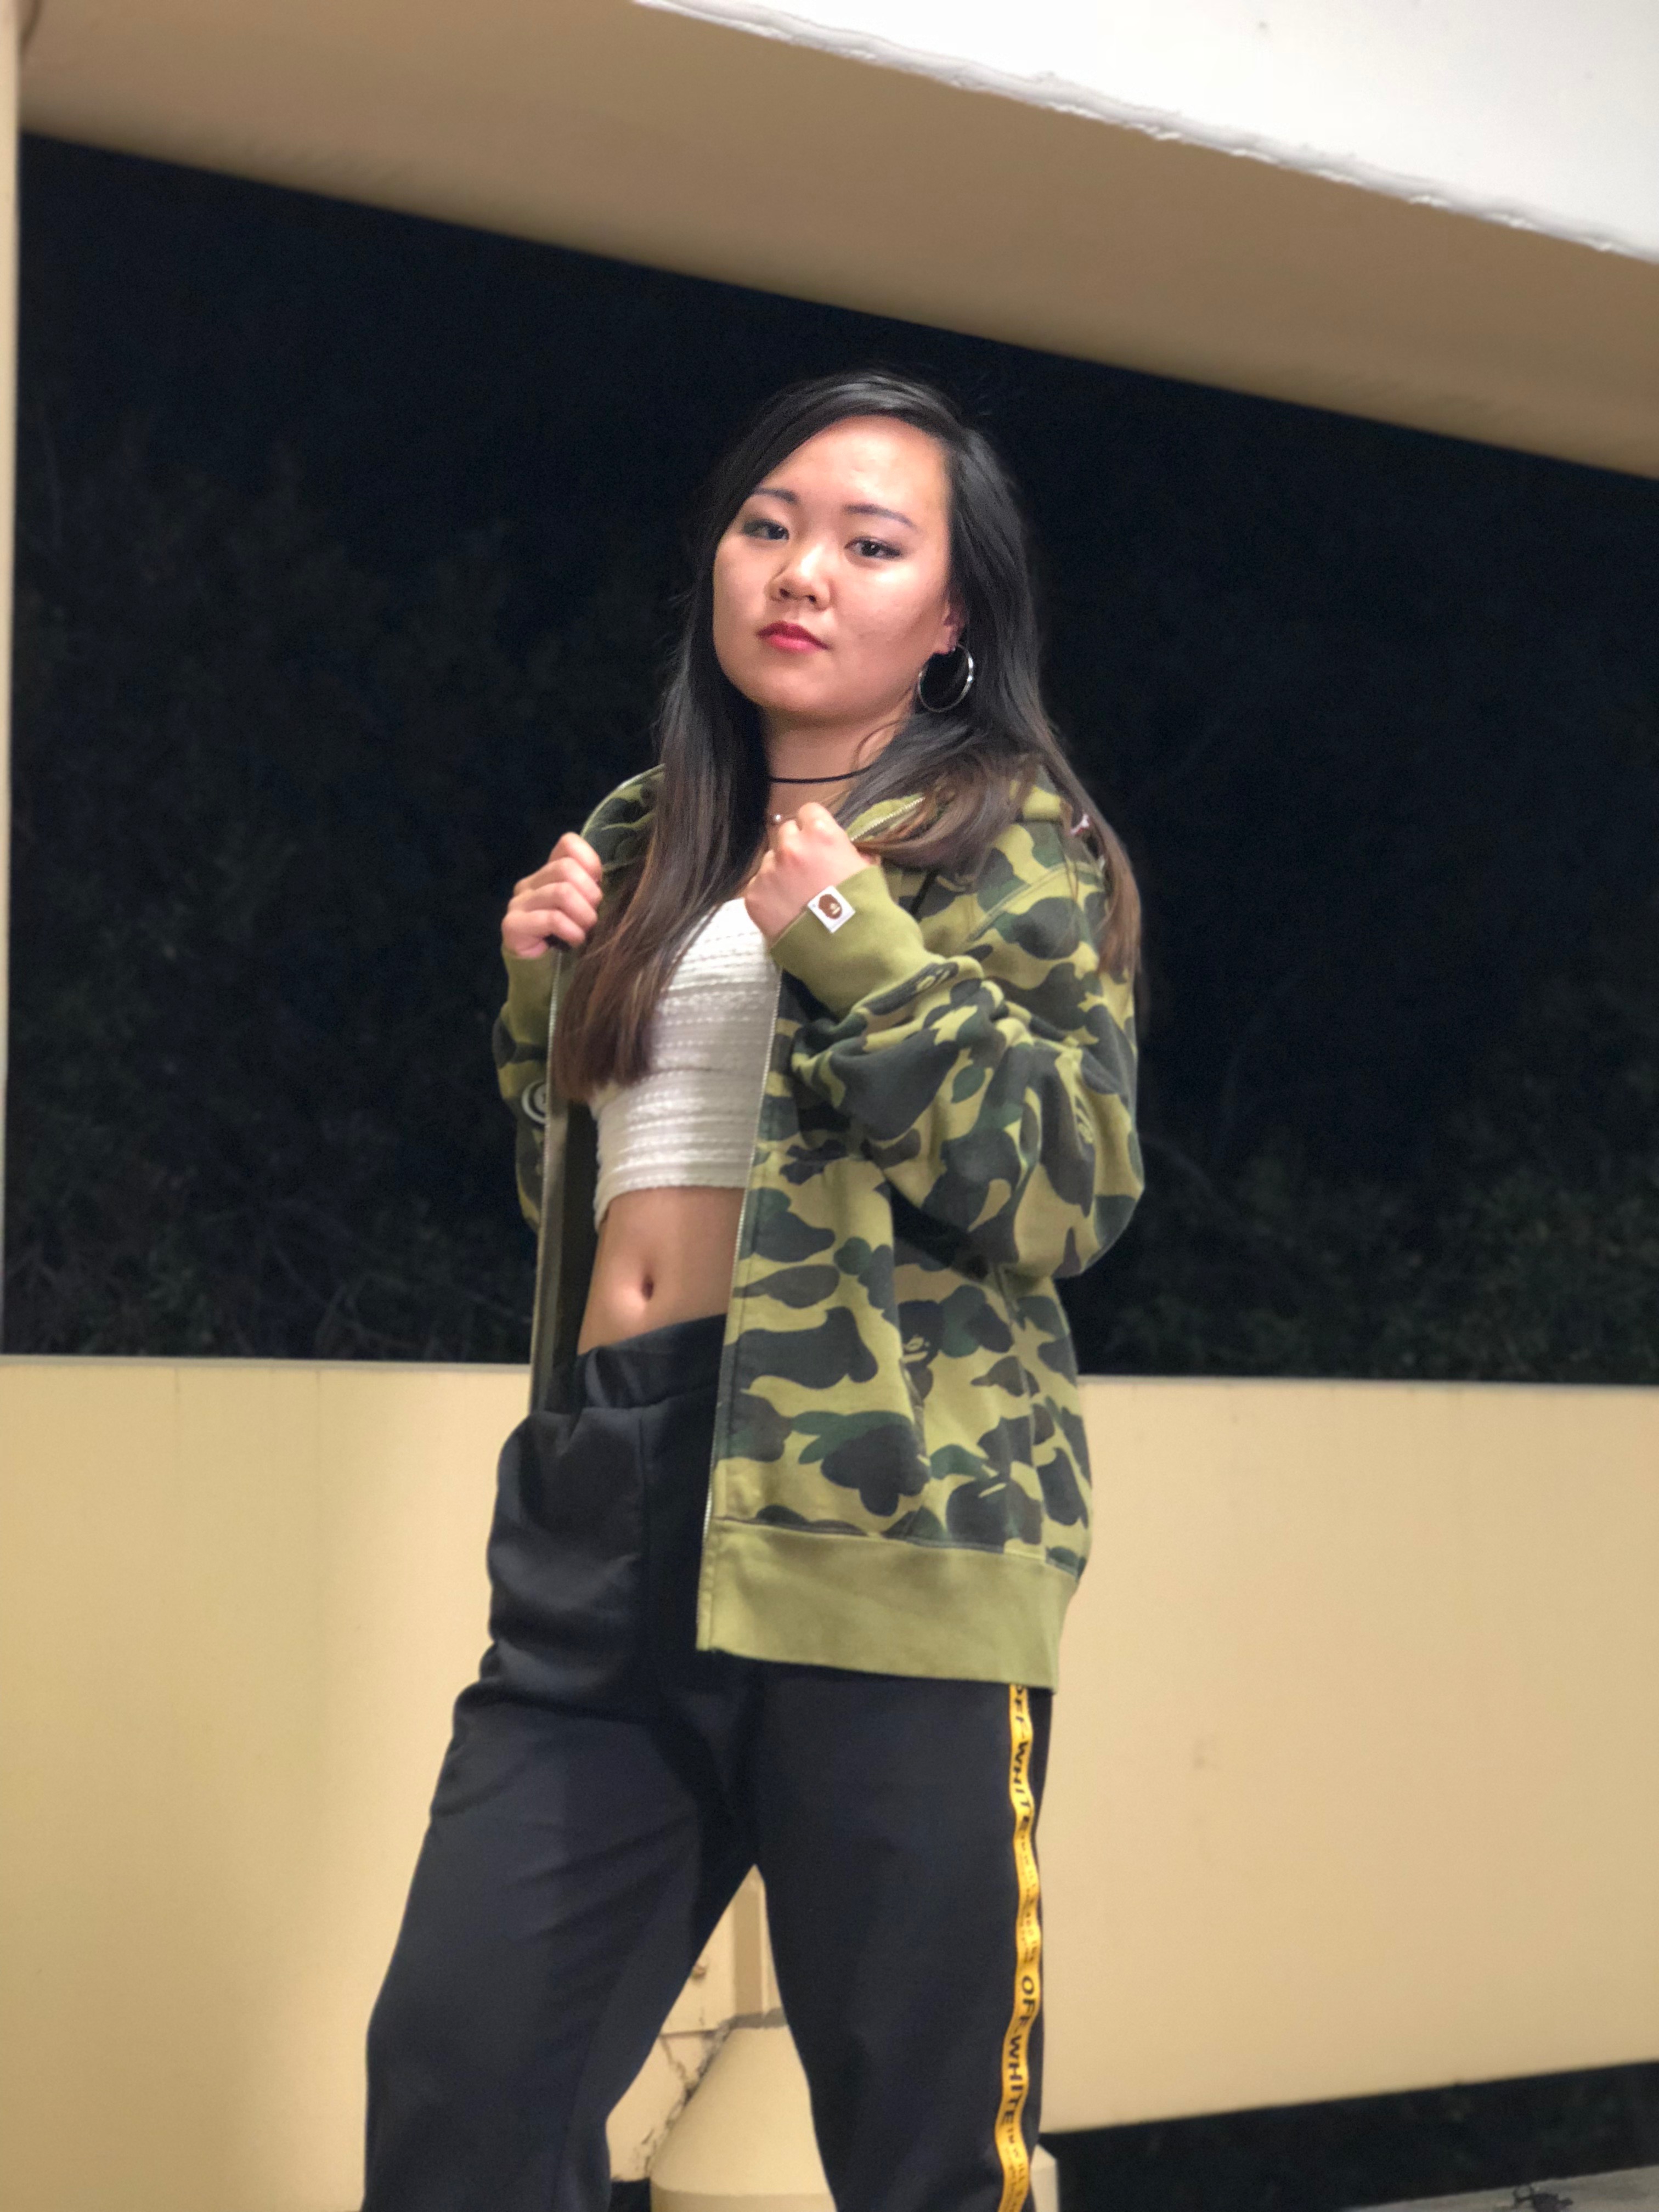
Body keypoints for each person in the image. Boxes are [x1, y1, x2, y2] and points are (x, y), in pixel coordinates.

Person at [363, 369, 1143, 2212]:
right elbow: (597, 1204)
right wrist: (542, 1015)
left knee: (922, 2151)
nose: (800, 571)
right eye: (769, 526)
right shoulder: (648, 834)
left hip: (883, 1528)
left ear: (950, 621)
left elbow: (1068, 1185)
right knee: (463, 2081)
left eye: (870, 545)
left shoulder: (1007, 832)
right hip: (604, 1505)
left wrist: (862, 949)